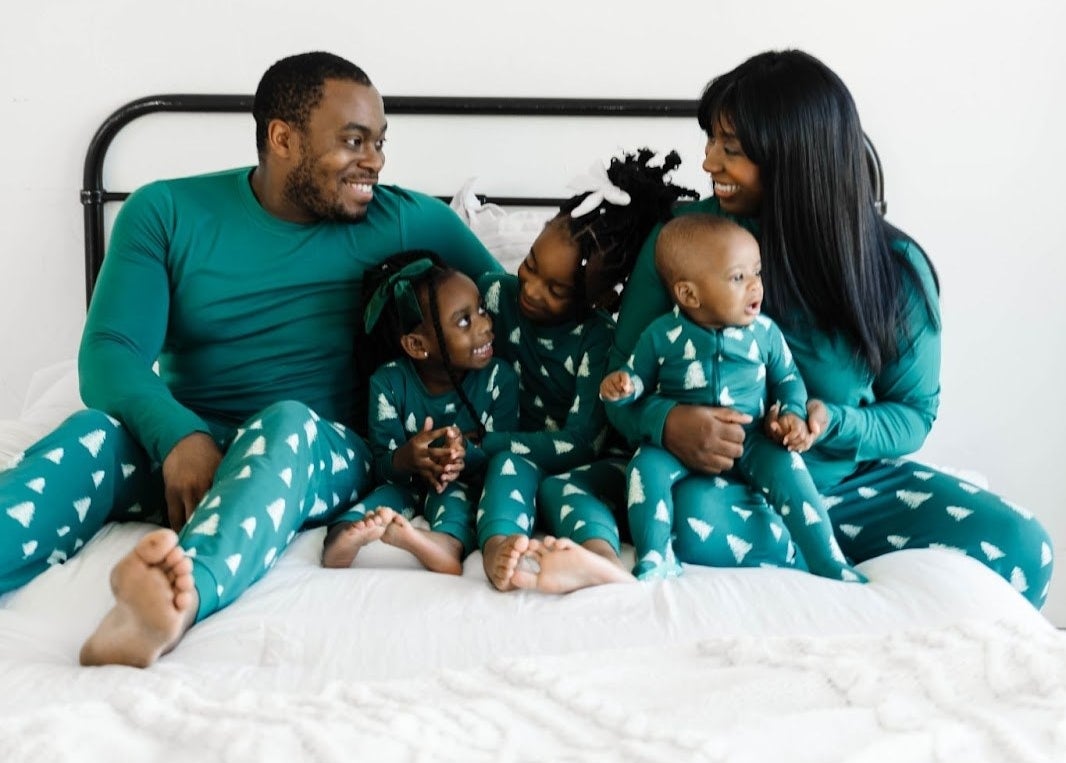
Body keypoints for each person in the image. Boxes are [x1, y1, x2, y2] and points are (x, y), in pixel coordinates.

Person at [0, 51, 502, 667]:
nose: (374, 160)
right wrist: (179, 433)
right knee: (91, 434)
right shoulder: (164, 213)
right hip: (189, 452)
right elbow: (110, 354)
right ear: (283, 138)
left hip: (322, 446)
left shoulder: (408, 219)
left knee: (284, 422)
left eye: (378, 141)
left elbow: (516, 316)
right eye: (353, 141)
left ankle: (171, 603)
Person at [607, 49, 1052, 607]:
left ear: (795, 160)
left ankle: (813, 551)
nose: (709, 164)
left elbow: (913, 416)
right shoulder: (683, 241)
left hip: (853, 488)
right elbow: (617, 381)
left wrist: (832, 421)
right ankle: (827, 571)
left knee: (1022, 544)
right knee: (688, 517)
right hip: (729, 491)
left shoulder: (894, 268)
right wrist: (667, 422)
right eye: (712, 142)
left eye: (732, 149)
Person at [475, 148, 696, 593]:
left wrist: (488, 442)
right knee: (506, 467)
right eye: (531, 265)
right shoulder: (494, 296)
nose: (531, 290)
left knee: (562, 489)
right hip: (519, 454)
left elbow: (582, 442)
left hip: (591, 462)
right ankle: (500, 546)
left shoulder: (599, 338)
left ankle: (601, 560)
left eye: (556, 289)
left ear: (603, 299)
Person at [601, 213, 865, 583]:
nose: (755, 286)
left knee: (791, 469)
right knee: (644, 468)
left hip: (753, 438)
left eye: (757, 272)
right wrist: (622, 386)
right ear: (689, 294)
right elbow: (637, 379)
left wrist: (791, 411)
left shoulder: (765, 334)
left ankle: (826, 558)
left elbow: (789, 379)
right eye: (738, 277)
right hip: (677, 446)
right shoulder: (661, 333)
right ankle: (654, 554)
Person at [321, 250, 517, 574]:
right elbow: (382, 464)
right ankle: (343, 538)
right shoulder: (388, 384)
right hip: (404, 484)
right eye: (465, 320)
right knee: (378, 501)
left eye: (481, 309)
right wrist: (407, 458)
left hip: (462, 481)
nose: (485, 324)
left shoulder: (499, 379)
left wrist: (462, 455)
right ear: (416, 345)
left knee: (455, 499)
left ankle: (442, 546)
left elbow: (502, 455)